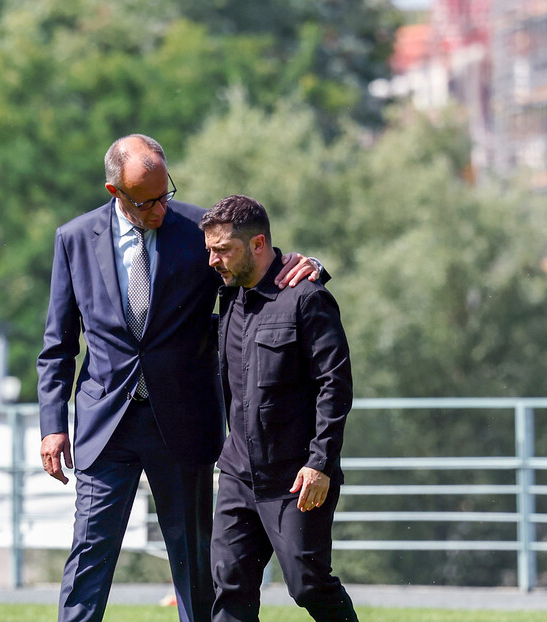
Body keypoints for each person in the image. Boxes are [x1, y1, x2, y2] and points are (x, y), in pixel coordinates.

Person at [37, 134, 321, 622]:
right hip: (106, 427)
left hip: (184, 424)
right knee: (89, 558)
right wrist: (52, 423)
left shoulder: (197, 229)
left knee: (194, 563)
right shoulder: (74, 239)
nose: (160, 210)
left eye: (165, 194)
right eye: (146, 202)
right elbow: (58, 345)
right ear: (115, 193)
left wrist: (310, 266)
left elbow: (253, 267)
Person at [200, 195, 356, 622]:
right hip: (237, 473)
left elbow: (335, 384)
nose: (213, 260)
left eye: (223, 250)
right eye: (210, 250)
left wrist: (321, 463)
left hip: (296, 476)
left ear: (258, 244)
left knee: (308, 583)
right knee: (229, 584)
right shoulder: (227, 294)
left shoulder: (306, 299)